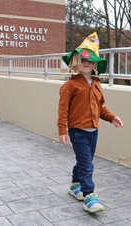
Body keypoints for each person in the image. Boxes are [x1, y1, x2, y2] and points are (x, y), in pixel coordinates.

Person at [57, 32, 123, 213]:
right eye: (82, 59)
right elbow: (62, 110)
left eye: (90, 60)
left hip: (93, 131)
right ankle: (89, 196)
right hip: (77, 131)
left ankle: (74, 185)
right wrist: (62, 130)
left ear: (94, 64)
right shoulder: (69, 86)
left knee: (84, 160)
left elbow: (100, 107)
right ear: (76, 62)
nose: (86, 63)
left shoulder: (96, 84)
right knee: (87, 164)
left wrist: (112, 117)